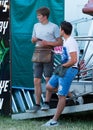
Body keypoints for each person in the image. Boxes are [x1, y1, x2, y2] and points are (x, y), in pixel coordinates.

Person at [42, 21, 79, 126]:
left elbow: (74, 60)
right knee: (49, 86)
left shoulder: (71, 42)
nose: (59, 30)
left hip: (70, 69)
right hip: (63, 68)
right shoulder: (65, 41)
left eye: (59, 29)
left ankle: (54, 121)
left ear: (63, 30)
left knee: (61, 95)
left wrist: (62, 66)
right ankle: (71, 95)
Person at [27, 7, 62, 113]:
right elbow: (33, 39)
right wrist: (33, 40)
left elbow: (60, 42)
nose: (37, 17)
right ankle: (37, 104)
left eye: (39, 15)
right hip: (37, 53)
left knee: (48, 79)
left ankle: (46, 103)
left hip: (48, 54)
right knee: (36, 80)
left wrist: (48, 43)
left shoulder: (54, 27)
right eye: (37, 15)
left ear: (45, 16)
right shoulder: (36, 26)